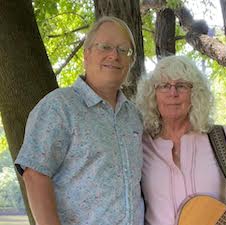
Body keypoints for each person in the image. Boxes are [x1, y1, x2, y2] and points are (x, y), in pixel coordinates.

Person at [15, 16, 144, 225]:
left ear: (130, 61)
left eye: (123, 50)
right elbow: (35, 175)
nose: (114, 55)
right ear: (86, 54)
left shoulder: (134, 117)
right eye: (105, 47)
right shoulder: (59, 107)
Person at [135, 55, 226, 225]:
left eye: (181, 86)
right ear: (153, 94)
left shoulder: (219, 138)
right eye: (164, 86)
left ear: (195, 94)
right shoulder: (140, 144)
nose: (173, 93)